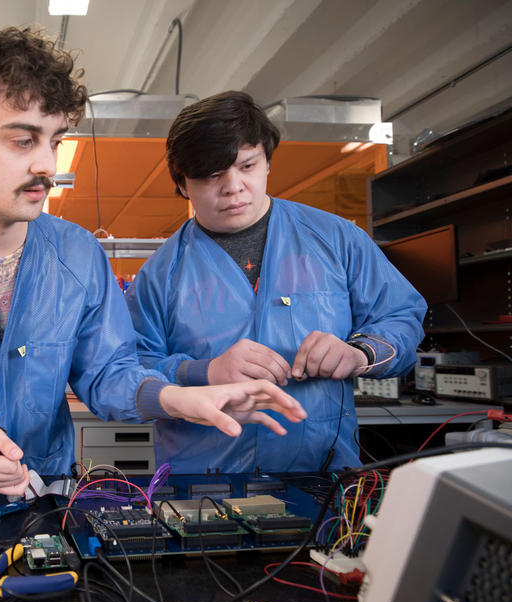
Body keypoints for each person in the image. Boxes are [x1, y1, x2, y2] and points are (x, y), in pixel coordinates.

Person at [0, 30, 306, 496]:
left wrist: (176, 398)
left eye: (56, 141)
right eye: (24, 141)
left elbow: (107, 370)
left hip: (46, 493)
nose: (48, 164)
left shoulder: (78, 255)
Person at [126, 91, 427, 473]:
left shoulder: (336, 240)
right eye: (212, 175)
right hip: (202, 484)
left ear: (268, 162)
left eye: (247, 166)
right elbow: (131, 368)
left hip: (321, 477)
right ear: (183, 184)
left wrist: (360, 354)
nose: (233, 186)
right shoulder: (160, 273)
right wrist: (205, 372)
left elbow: (402, 317)